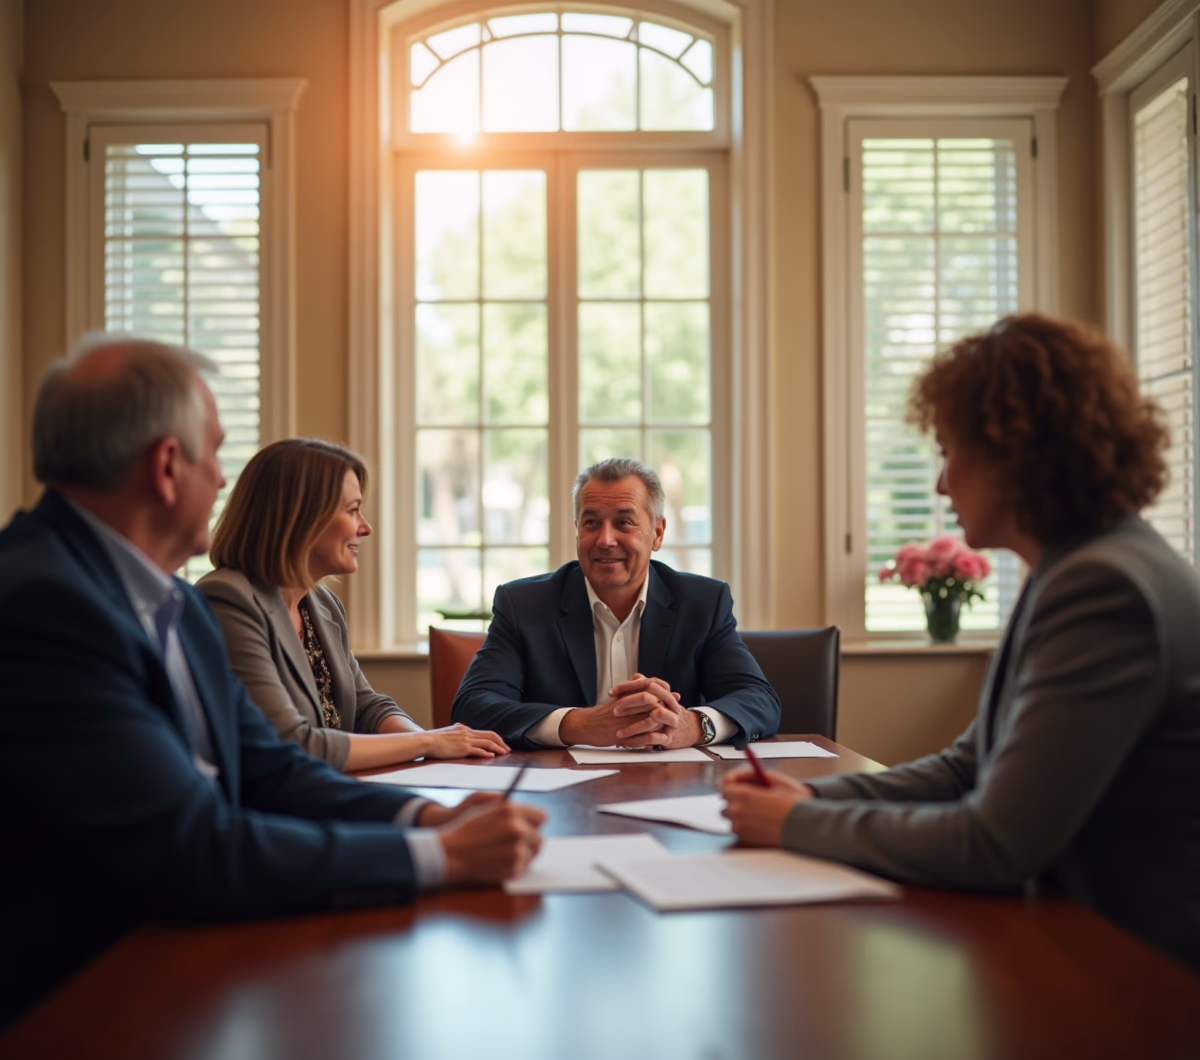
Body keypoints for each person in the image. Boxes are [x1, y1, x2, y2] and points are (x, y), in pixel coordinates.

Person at [0, 336, 544, 1032]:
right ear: (168, 466)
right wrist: (439, 856)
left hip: (176, 961)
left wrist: (426, 816)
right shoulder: (43, 605)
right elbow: (196, 848)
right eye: (214, 454)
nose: (223, 481)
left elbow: (269, 768)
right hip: (72, 1008)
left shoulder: (172, 603)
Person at [721, 313, 1200, 972]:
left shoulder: (1103, 587)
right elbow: (967, 767)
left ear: (1016, 450)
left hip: (1135, 972)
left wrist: (794, 825)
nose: (941, 484)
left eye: (949, 451)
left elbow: (997, 842)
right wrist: (808, 797)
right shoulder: (1074, 565)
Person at [198, 439, 508, 771]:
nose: (365, 527)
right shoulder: (227, 600)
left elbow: (365, 707)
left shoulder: (322, 605)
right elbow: (291, 743)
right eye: (352, 510)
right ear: (301, 518)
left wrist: (435, 750)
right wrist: (428, 742)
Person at [452, 458, 780, 750]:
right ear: (577, 530)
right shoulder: (523, 604)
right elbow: (473, 706)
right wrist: (580, 724)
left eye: (624, 522)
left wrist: (692, 726)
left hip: (675, 787)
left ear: (657, 533)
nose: (605, 540)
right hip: (557, 794)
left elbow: (759, 701)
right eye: (591, 523)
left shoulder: (703, 603)